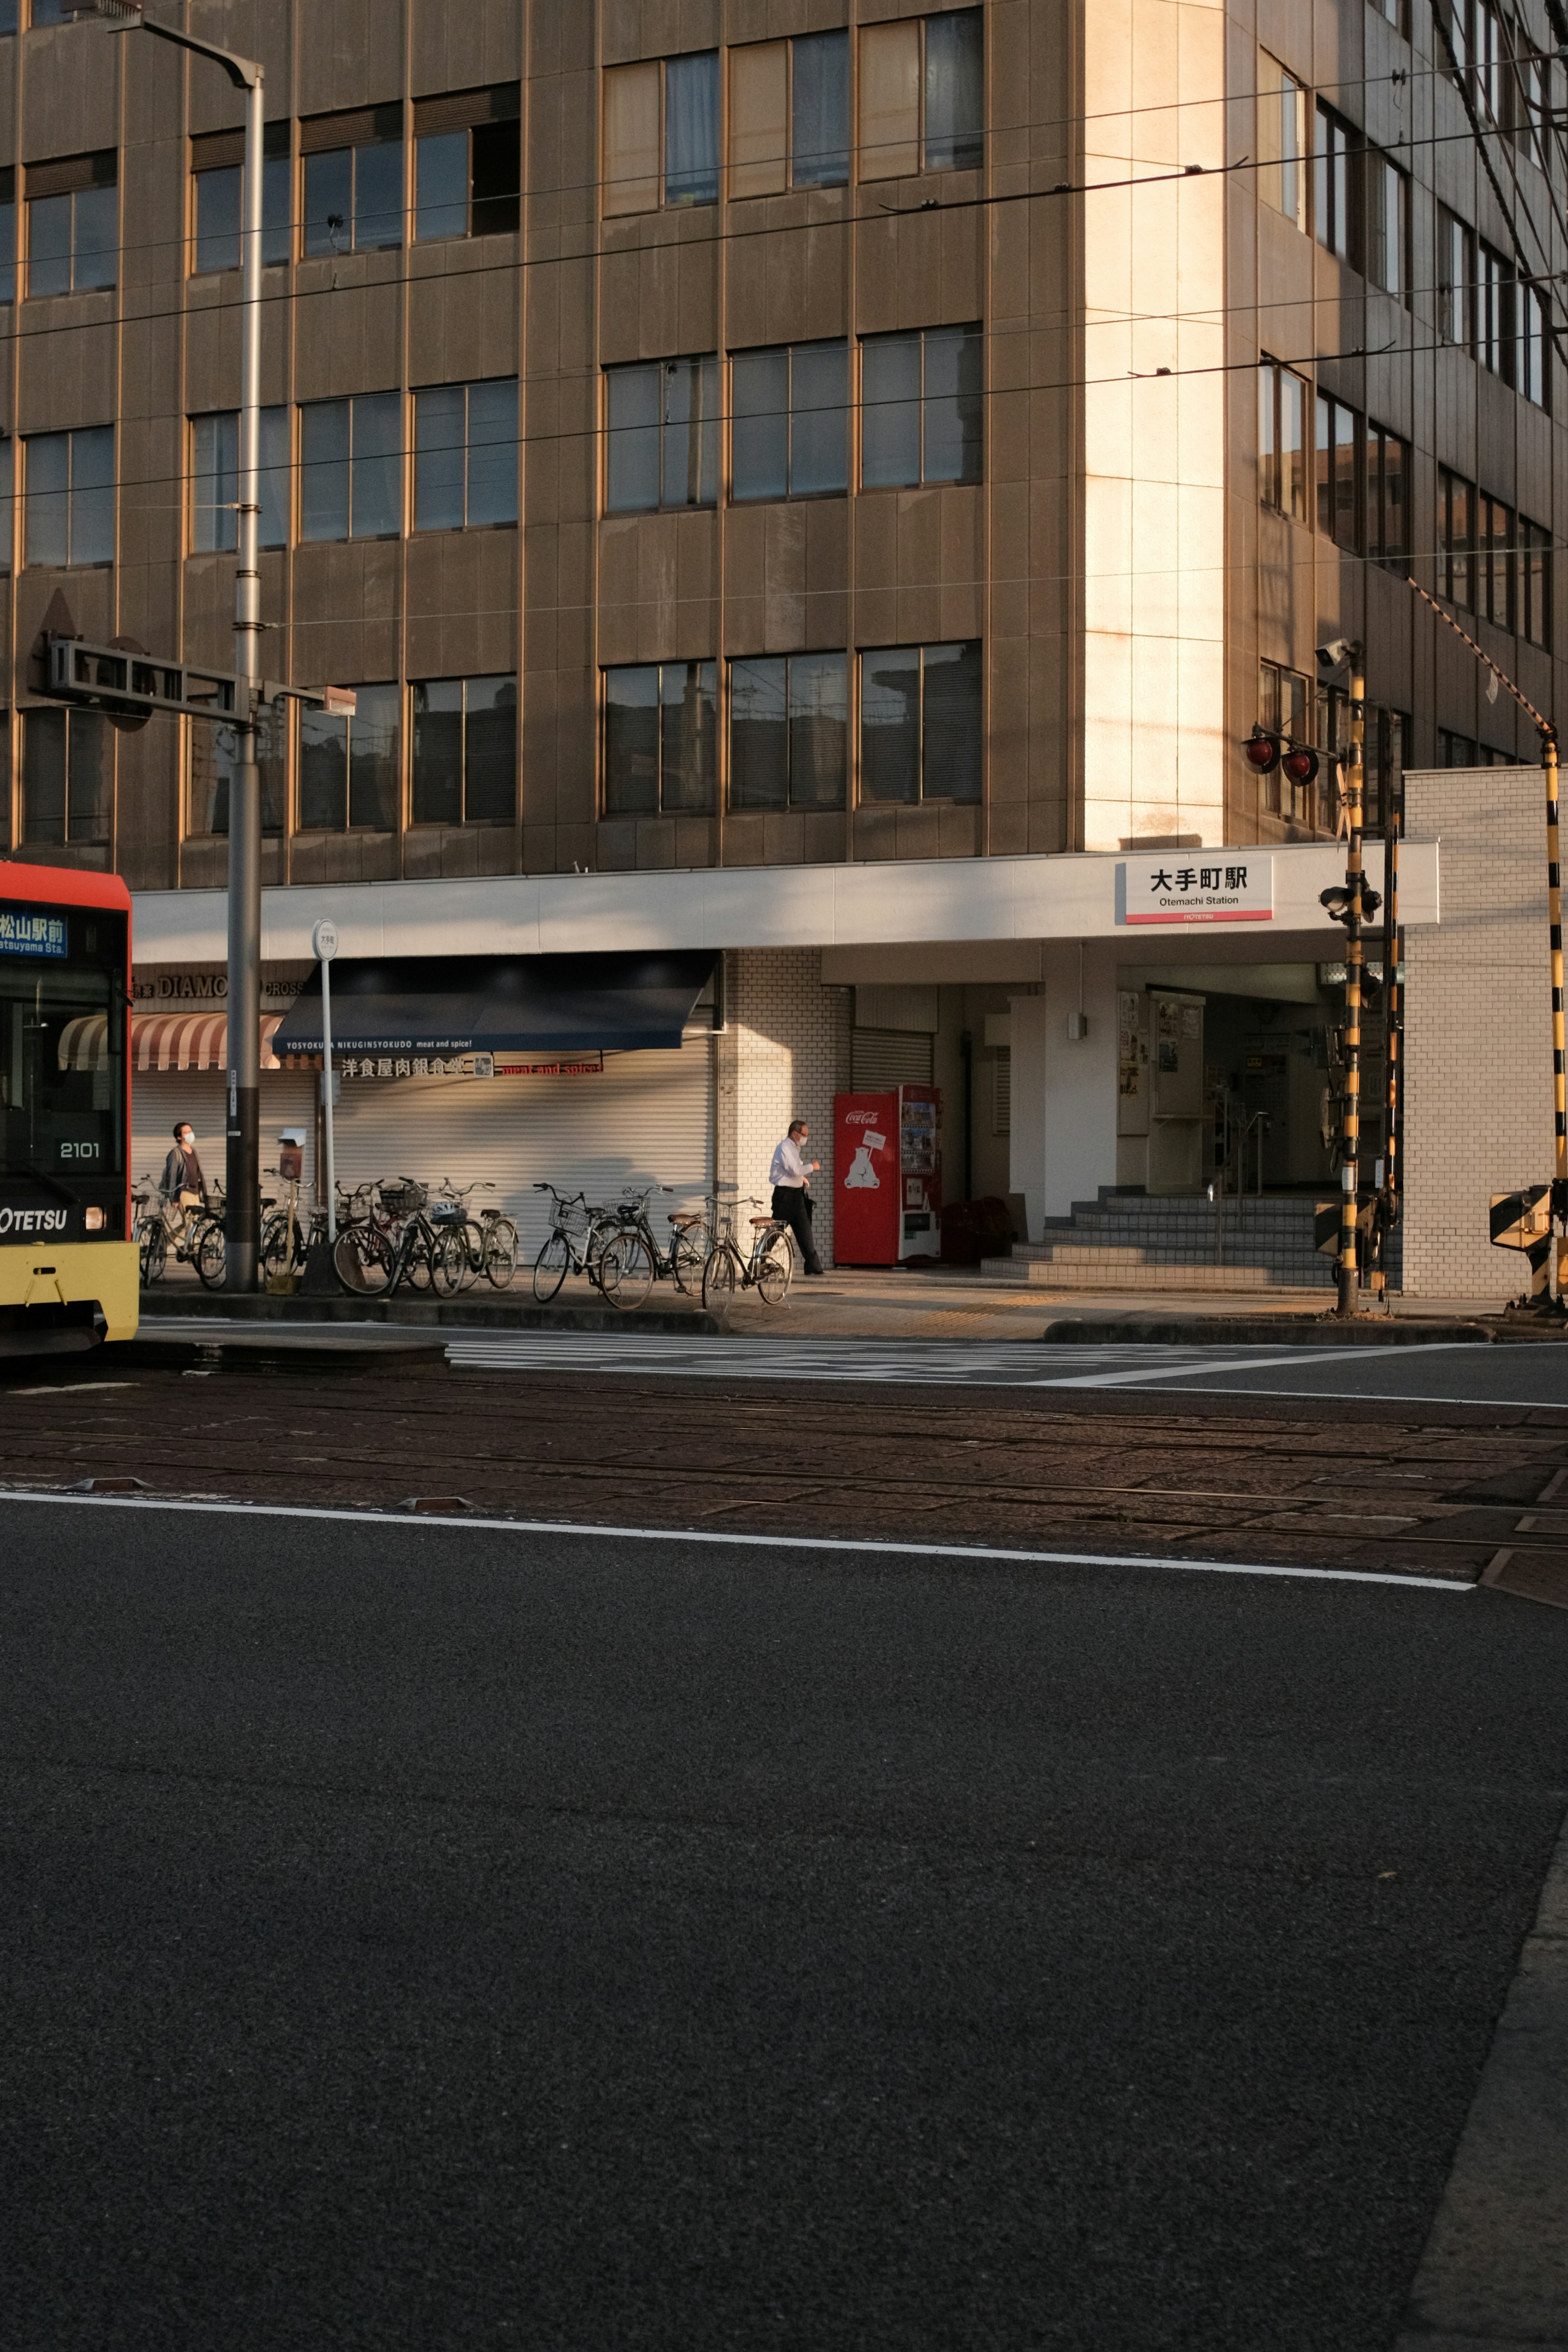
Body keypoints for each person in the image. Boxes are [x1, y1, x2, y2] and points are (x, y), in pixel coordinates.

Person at [769, 1118, 826, 1276]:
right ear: (795, 1134)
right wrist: (812, 1167)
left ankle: (813, 1265)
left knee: (804, 1229)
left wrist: (802, 1179)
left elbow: (793, 1172)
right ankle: (759, 1260)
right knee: (777, 1229)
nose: (805, 1138)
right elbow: (795, 1170)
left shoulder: (794, 1149)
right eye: (804, 1135)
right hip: (785, 1196)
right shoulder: (785, 1148)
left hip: (796, 1195)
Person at [162, 1120, 208, 1204]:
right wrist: (174, 1198)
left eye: (191, 1132)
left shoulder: (194, 1152)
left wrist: (203, 1191)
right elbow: (171, 1175)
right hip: (184, 1192)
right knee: (189, 1213)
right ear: (179, 1137)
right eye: (186, 1133)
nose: (190, 1135)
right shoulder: (176, 1154)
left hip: (196, 1192)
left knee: (197, 1213)